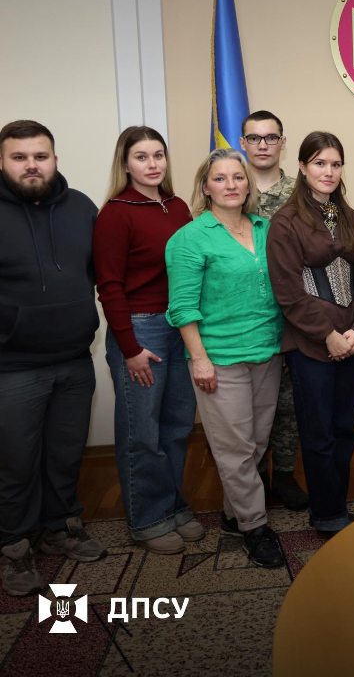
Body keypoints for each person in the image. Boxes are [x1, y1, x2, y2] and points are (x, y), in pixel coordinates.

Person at [0, 120, 105, 597]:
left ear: (55, 159)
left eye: (39, 156)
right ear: (3, 162)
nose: (31, 165)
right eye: (19, 157)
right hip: (12, 365)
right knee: (16, 460)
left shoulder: (81, 207)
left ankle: (62, 526)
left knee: (65, 452)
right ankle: (15, 546)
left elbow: (95, 273)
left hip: (73, 357)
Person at [165, 149, 285, 567]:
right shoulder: (189, 238)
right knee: (233, 448)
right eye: (220, 178)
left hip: (266, 352)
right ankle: (255, 527)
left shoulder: (266, 228)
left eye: (238, 177)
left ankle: (235, 515)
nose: (231, 184)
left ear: (248, 185)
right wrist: (199, 359)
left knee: (255, 442)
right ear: (205, 187)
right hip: (219, 358)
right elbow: (182, 307)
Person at [94, 126, 204, 554]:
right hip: (140, 330)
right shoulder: (115, 213)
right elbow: (109, 285)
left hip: (180, 327)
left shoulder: (177, 207)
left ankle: (173, 505)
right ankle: (147, 518)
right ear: (125, 164)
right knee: (143, 432)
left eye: (158, 155)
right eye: (142, 157)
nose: (153, 164)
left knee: (176, 427)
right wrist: (129, 348)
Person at [267, 132, 354, 533]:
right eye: (319, 163)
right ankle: (326, 515)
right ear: (302, 167)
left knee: (345, 430)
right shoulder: (286, 222)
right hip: (311, 345)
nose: (328, 172)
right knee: (318, 434)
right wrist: (329, 334)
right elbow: (289, 292)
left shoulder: (348, 216)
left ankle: (339, 506)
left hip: (352, 340)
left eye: (335, 164)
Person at [240, 110, 308, 511]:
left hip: (294, 315)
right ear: (243, 143)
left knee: (288, 402)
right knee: (245, 405)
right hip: (245, 315)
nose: (263, 145)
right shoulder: (229, 187)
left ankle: (283, 474)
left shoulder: (303, 191)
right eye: (254, 138)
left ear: (283, 142)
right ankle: (251, 481)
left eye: (271, 137)